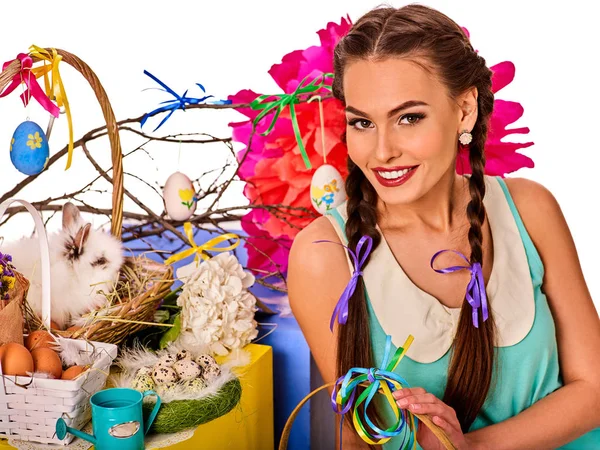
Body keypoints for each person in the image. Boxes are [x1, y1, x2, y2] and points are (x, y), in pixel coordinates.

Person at [288, 4, 600, 449]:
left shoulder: (530, 209)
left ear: (465, 110)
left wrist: (472, 446)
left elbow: (594, 389)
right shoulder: (324, 255)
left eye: (409, 117)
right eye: (362, 122)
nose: (382, 151)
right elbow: (355, 439)